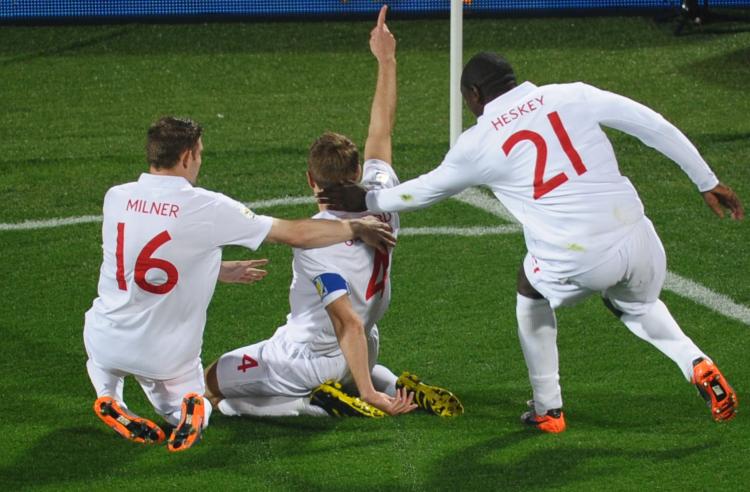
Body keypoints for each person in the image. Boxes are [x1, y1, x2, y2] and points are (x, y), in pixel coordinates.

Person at [317, 51, 743, 432]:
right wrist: (707, 179)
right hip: (638, 236)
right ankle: (696, 363)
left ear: (474, 94)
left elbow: (425, 191)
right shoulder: (570, 94)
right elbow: (651, 124)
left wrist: (368, 197)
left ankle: (548, 407)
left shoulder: (479, 142)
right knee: (639, 305)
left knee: (530, 286)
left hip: (580, 258)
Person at [203, 6, 463, 420]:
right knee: (351, 360)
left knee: (213, 384)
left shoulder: (316, 242)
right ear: (358, 171)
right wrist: (387, 60)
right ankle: (393, 383)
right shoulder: (382, 196)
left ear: (310, 180)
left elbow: (346, 324)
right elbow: (382, 128)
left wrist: (366, 393)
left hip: (311, 356)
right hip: (366, 348)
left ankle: (315, 404)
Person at [84, 116, 397, 452]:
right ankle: (189, 411)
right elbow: (294, 233)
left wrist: (214, 267)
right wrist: (353, 228)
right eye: (200, 155)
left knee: (102, 361)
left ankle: (108, 396)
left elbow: (146, 260)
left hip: (105, 336)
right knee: (195, 401)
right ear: (187, 157)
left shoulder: (116, 197)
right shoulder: (206, 206)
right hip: (165, 356)